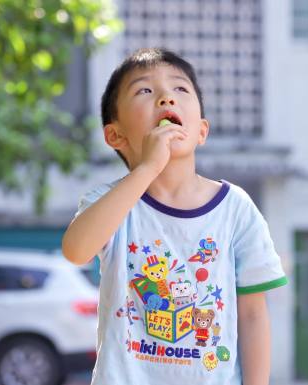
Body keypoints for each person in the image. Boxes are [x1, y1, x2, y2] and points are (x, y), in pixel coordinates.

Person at [61, 47, 288, 385]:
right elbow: (76, 250)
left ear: (201, 130)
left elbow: (253, 314)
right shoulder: (109, 203)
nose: (166, 98)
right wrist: (149, 167)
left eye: (180, 89)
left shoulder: (235, 208)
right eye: (144, 90)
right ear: (115, 135)